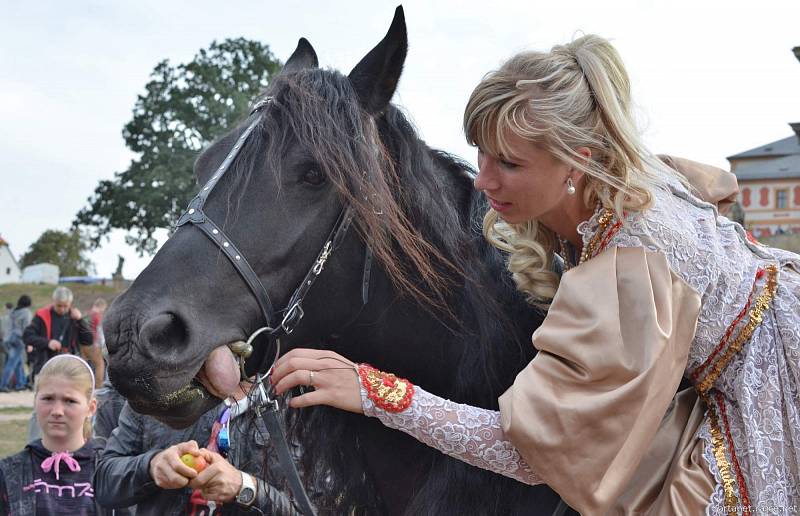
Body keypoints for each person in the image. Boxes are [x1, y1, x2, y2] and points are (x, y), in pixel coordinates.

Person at [269, 34, 800, 515]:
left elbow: (533, 456)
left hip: (775, 394)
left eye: (510, 164)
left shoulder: (633, 253)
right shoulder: (613, 188)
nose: (482, 181)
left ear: (577, 161)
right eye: (481, 154)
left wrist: (372, 390)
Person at [95, 382, 307, 515]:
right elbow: (104, 484)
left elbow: (312, 510)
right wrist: (151, 467)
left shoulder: (298, 404)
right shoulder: (159, 389)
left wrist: (245, 488)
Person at [0, 354, 110, 515]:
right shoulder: (9, 472)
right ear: (35, 401)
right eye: (48, 398)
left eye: (69, 401)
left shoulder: (110, 473)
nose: (57, 411)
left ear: (91, 408)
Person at [23, 286, 105, 388]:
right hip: (46, 365)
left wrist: (80, 321)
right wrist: (47, 342)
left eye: (65, 306)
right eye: (59, 306)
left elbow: (88, 341)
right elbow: (27, 336)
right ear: (53, 301)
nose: (62, 309)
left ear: (70, 303)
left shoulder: (74, 316)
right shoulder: (41, 315)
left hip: (69, 366)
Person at [0, 295, 33, 392]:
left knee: (18, 363)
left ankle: (20, 384)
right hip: (19, 339)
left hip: (8, 339)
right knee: (11, 363)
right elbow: (27, 328)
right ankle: (3, 385)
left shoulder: (13, 311)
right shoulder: (26, 312)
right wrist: (29, 342)